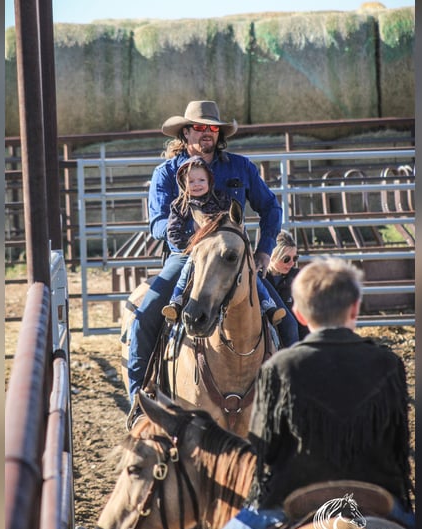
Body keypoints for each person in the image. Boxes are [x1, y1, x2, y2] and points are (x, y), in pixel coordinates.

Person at [203, 257, 415, 529]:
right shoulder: (387, 363)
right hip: (377, 492)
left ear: (299, 314)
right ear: (355, 309)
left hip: (292, 495)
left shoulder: (280, 367)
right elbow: (398, 445)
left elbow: (266, 451)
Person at [126, 100, 283, 405]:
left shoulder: (240, 167)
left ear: (219, 133)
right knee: (145, 317)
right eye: (198, 127)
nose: (206, 133)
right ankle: (139, 402)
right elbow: (157, 222)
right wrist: (189, 237)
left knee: (286, 322)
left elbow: (270, 208)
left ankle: (292, 398)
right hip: (185, 256)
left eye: (212, 128)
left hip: (232, 261)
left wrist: (264, 252)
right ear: (185, 133)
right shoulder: (166, 173)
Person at [160, 157, 286, 327]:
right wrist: (194, 242)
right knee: (186, 272)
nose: (197, 184)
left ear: (209, 181)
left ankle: (268, 304)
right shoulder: (180, 205)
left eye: (201, 180)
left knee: (251, 274)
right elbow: (170, 230)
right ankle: (176, 302)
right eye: (191, 181)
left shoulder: (222, 198)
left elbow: (259, 211)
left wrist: (264, 249)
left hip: (223, 251)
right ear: (183, 184)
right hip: (192, 252)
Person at [264, 230, 309, 341]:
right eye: (286, 259)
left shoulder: (298, 278)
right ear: (272, 256)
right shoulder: (260, 278)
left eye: (295, 258)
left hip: (295, 334)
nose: (291, 263)